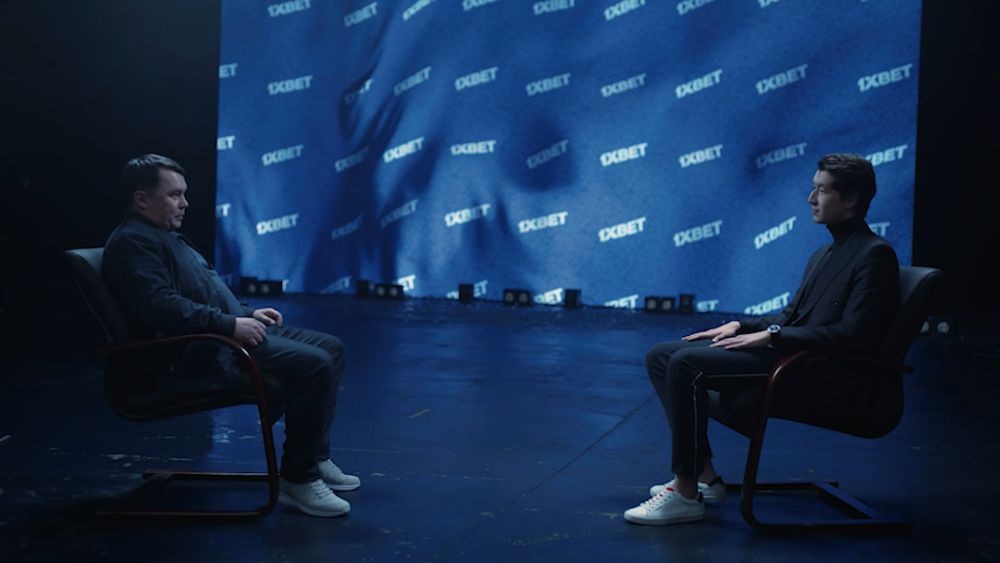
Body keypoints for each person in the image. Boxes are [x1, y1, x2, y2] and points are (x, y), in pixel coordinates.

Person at [624, 153, 900, 525]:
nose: (811, 199)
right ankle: (705, 477)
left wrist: (773, 337)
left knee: (686, 363)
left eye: (821, 191)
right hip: (793, 358)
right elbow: (790, 316)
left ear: (850, 199)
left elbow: (855, 336)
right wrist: (740, 326)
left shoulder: (874, 254)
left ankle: (685, 493)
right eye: (813, 188)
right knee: (661, 355)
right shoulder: (825, 253)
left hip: (816, 373)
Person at [102, 154, 359, 518]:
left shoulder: (164, 237)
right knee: (315, 364)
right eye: (174, 195)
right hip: (198, 353)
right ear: (141, 199)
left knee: (332, 348)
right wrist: (229, 325)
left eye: (184, 194)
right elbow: (161, 308)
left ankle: (314, 458)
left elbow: (203, 293)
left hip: (216, 336)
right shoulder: (133, 243)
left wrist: (246, 314)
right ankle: (298, 479)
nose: (185, 203)